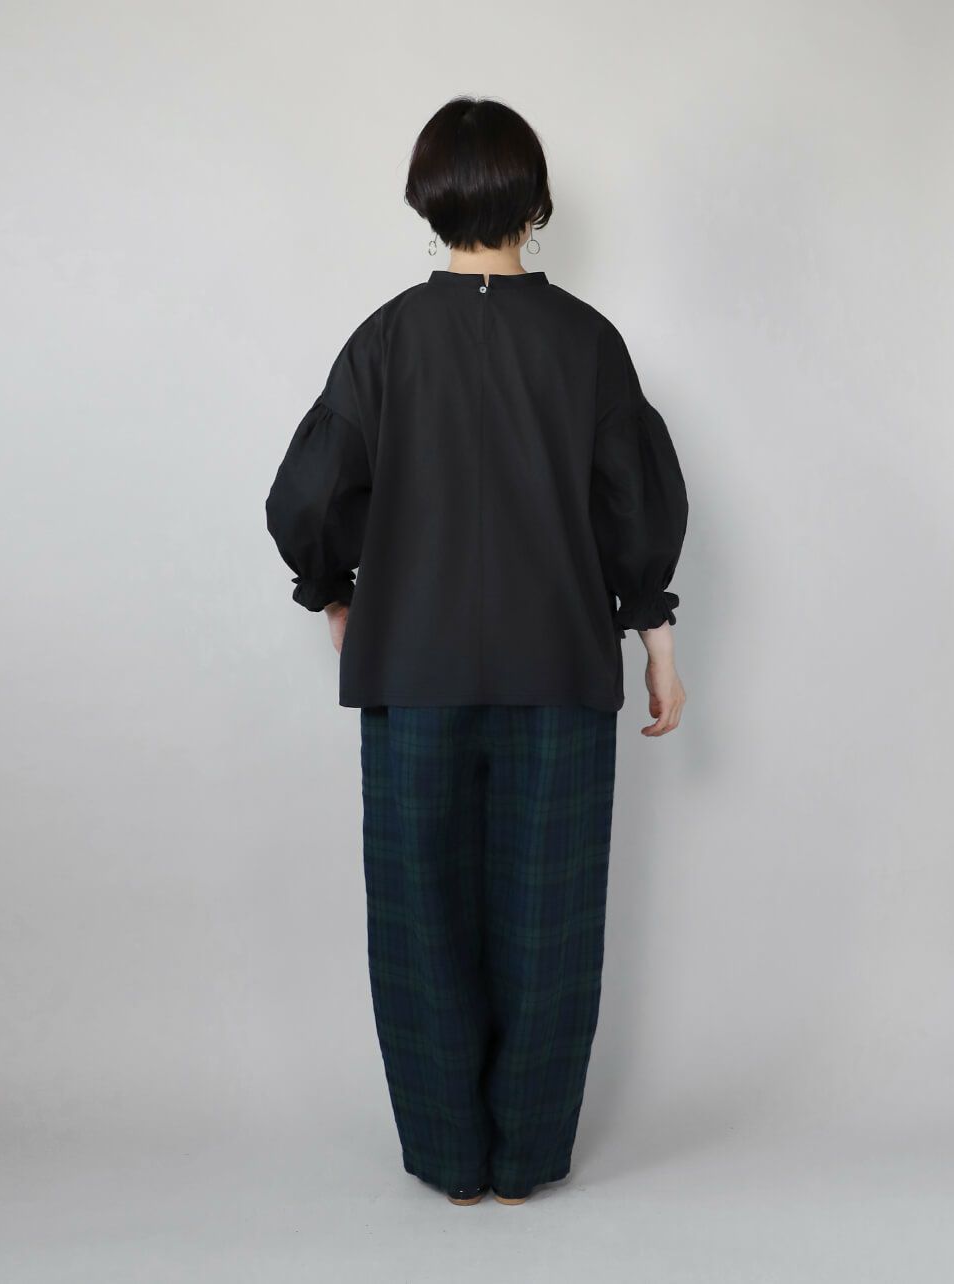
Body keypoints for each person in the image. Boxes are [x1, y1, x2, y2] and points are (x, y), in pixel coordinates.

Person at [265, 96, 689, 1207]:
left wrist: (333, 593)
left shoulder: (385, 341)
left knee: (422, 922)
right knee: (551, 925)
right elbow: (634, 504)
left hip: (414, 673)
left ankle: (451, 1162)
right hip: (560, 671)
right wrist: (654, 637)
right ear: (534, 203)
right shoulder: (587, 343)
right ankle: (527, 1162)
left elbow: (308, 494)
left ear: (428, 200)